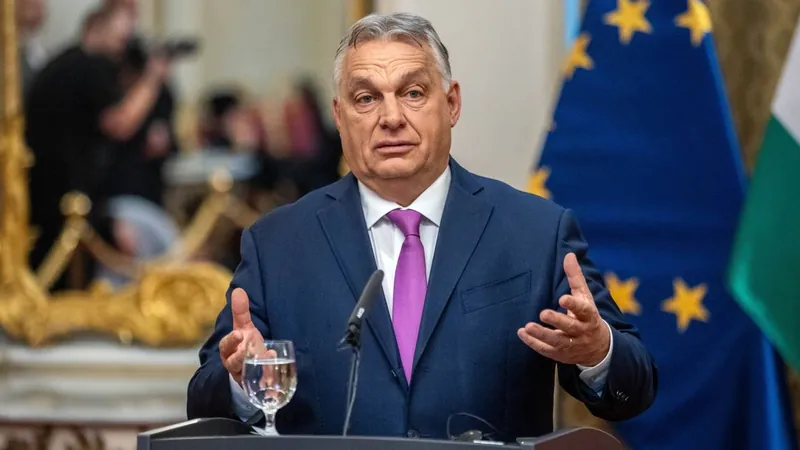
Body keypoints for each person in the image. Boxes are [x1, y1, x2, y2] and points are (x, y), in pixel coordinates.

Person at [186, 13, 657, 441]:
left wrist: (598, 351)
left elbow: (634, 390)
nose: (391, 118)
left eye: (413, 93)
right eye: (366, 98)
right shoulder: (279, 243)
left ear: (451, 104)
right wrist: (241, 379)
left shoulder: (536, 232)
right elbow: (205, 402)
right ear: (339, 117)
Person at [25, 4, 170, 289]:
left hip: (51, 195)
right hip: (67, 202)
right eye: (120, 36)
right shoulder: (89, 65)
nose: (123, 47)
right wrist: (153, 78)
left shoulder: (63, 64)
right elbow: (119, 123)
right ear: (97, 27)